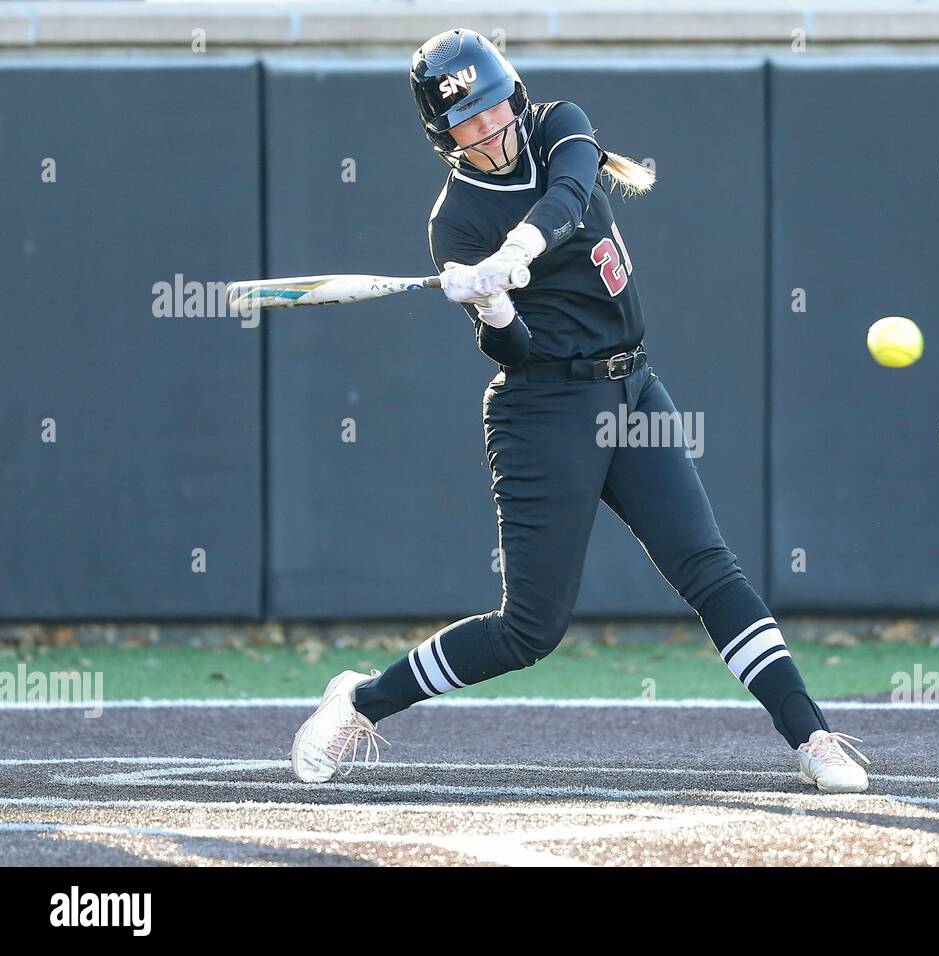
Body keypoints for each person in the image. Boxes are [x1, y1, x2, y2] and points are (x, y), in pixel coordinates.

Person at [290, 28, 870, 793]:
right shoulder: (456, 222)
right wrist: (494, 307)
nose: (489, 127)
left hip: (632, 389)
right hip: (545, 411)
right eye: (469, 121)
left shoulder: (560, 123)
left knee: (708, 567)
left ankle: (813, 736)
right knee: (529, 631)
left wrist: (520, 248)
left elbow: (568, 192)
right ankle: (362, 699)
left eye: (496, 107)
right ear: (444, 133)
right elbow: (517, 354)